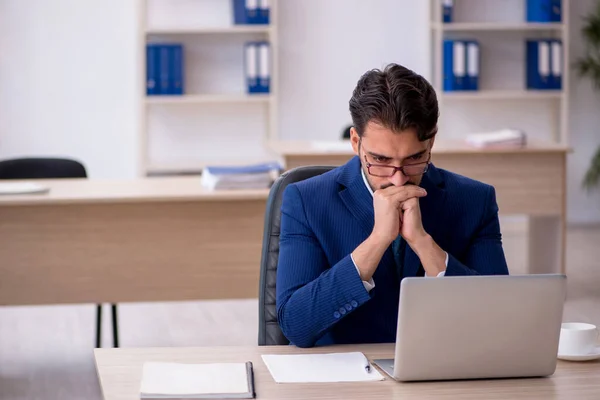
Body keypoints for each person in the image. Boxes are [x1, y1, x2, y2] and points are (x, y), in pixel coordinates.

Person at [276, 63, 509, 348]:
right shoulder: (306, 200)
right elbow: (296, 326)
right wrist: (377, 241)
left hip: (442, 368)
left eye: (413, 159)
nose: (398, 179)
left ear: (431, 142)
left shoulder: (475, 201)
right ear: (355, 141)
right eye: (381, 160)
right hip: (345, 377)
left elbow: (498, 318)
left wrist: (424, 244)